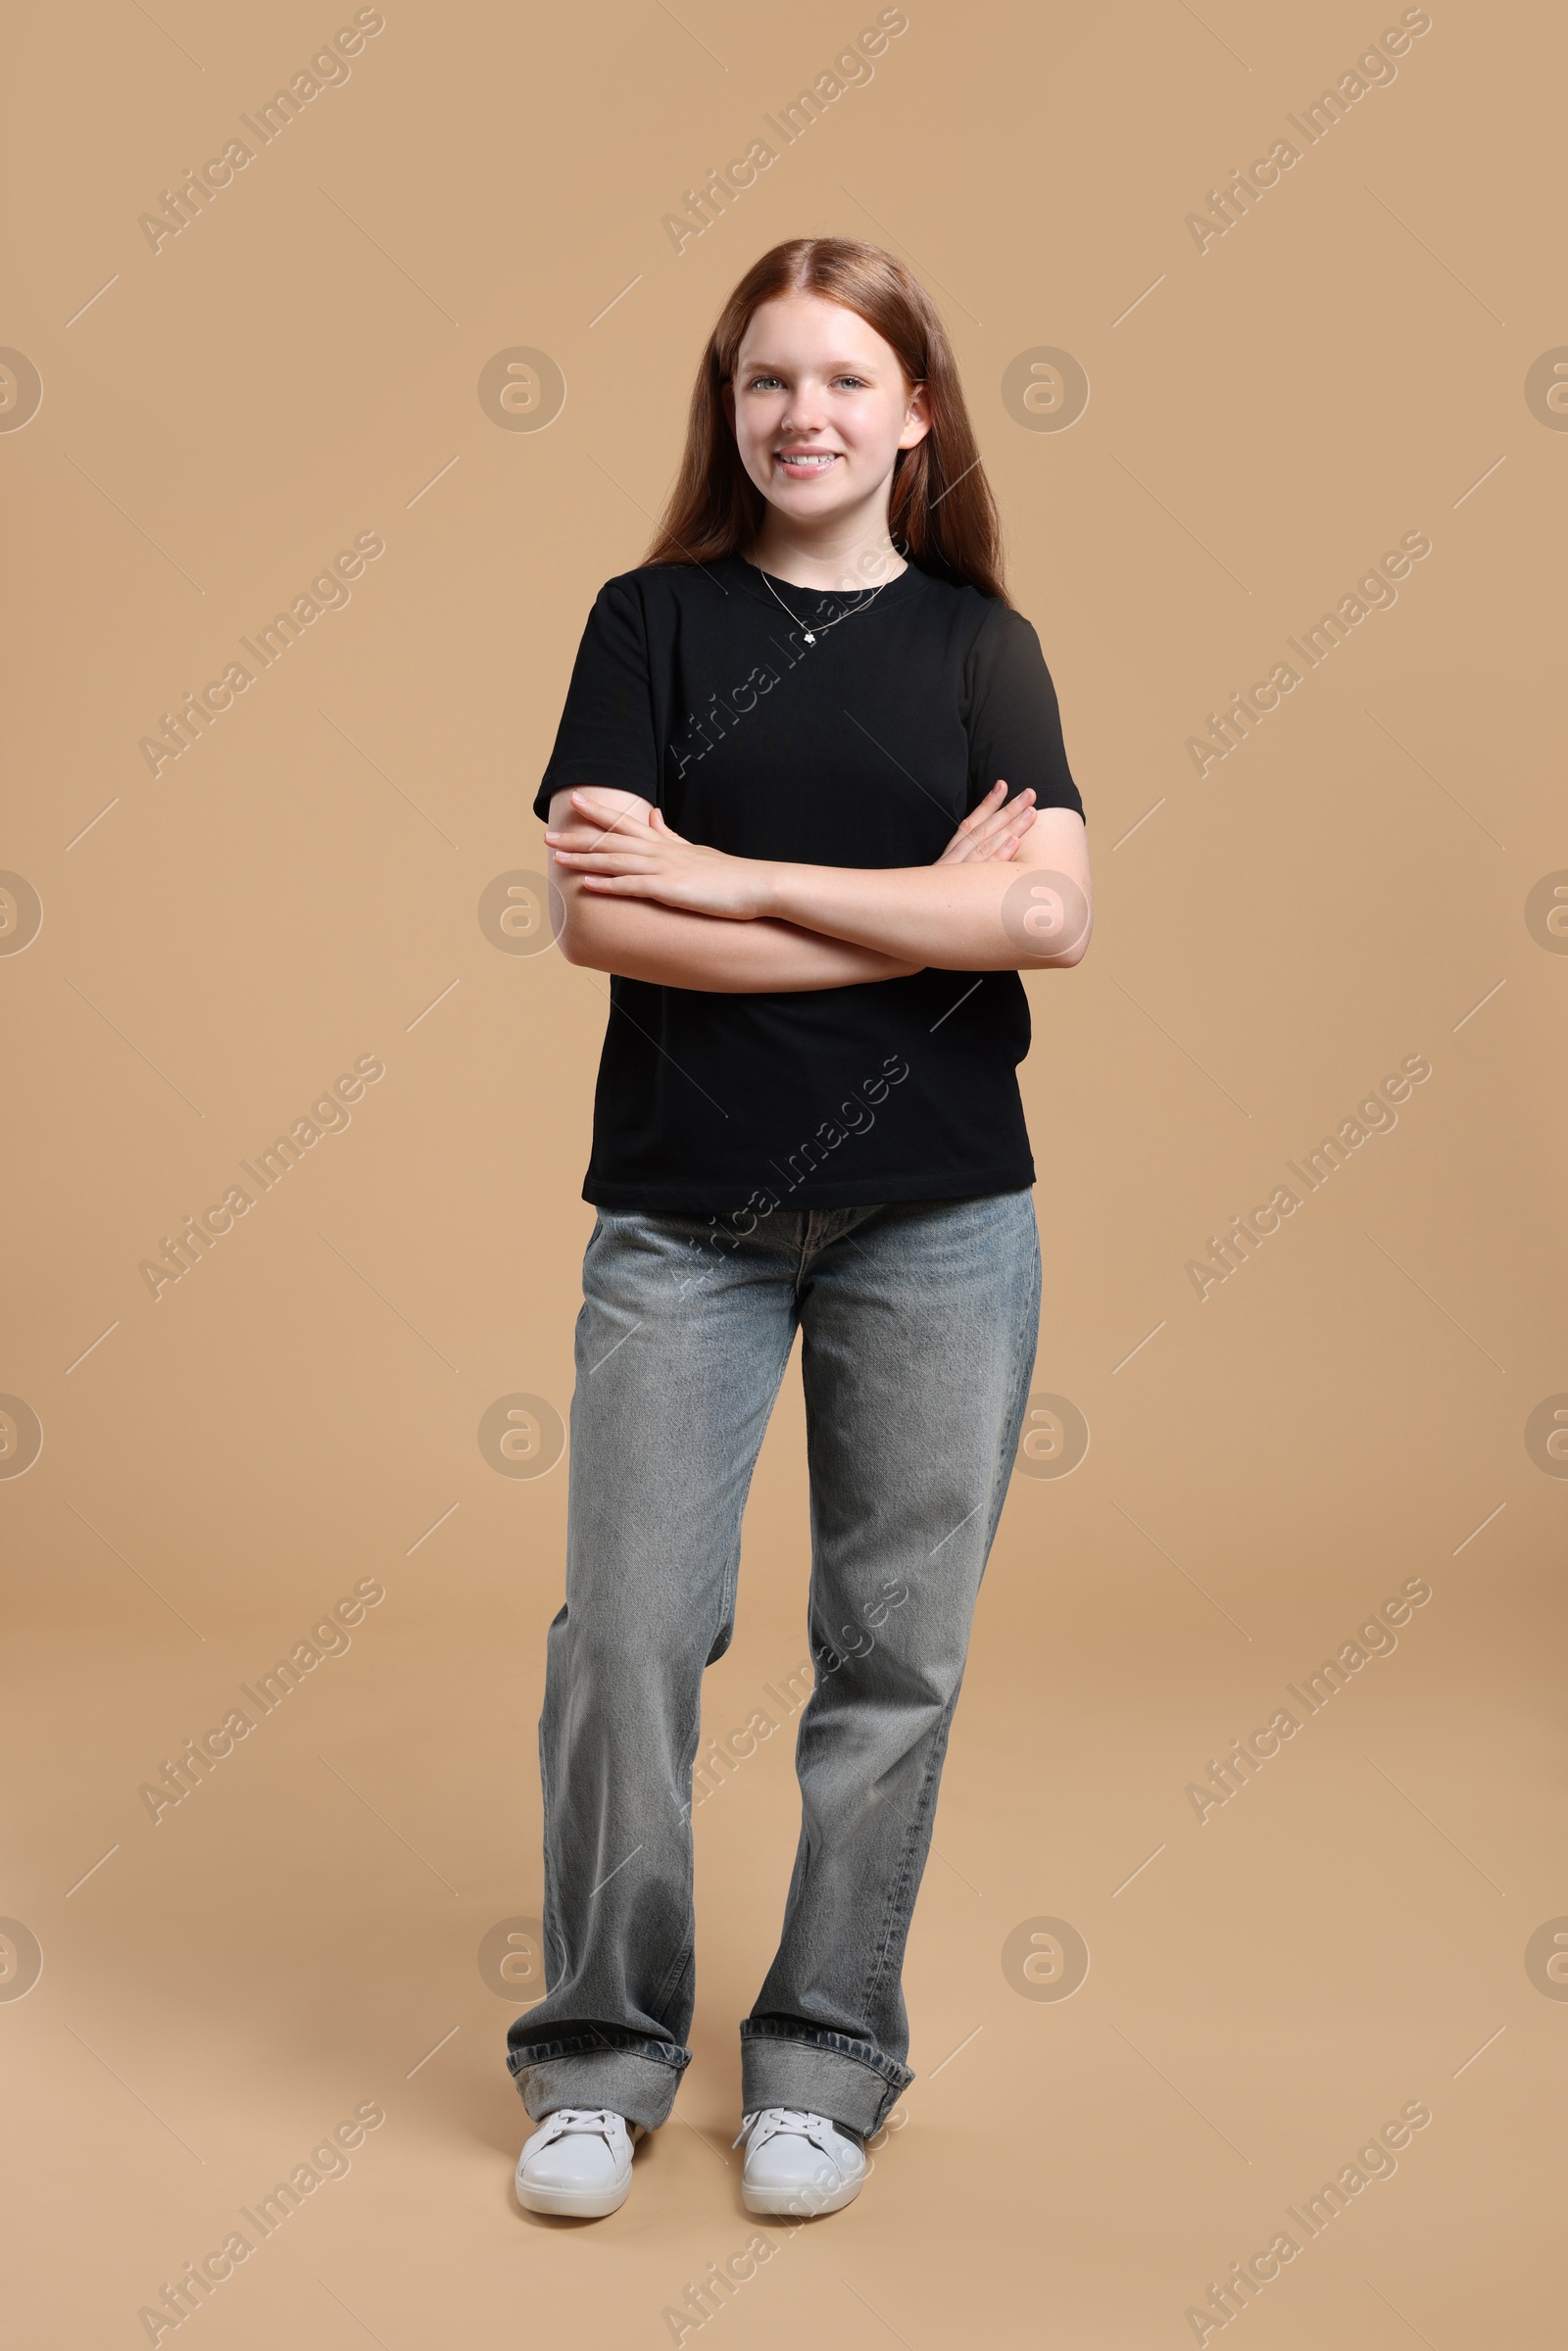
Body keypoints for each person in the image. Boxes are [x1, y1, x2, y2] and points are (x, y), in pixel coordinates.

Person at [508, 235, 1092, 2222]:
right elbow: (598, 915)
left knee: (892, 1657)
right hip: (684, 1219)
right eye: (767, 381)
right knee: (629, 1638)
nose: (802, 415)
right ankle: (598, 2052)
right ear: (727, 407)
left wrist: (725, 876)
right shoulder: (645, 622)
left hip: (942, 1222)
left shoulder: (977, 644)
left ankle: (823, 2060)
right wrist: (889, 911)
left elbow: (1042, 919)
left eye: (843, 380)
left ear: (912, 410)